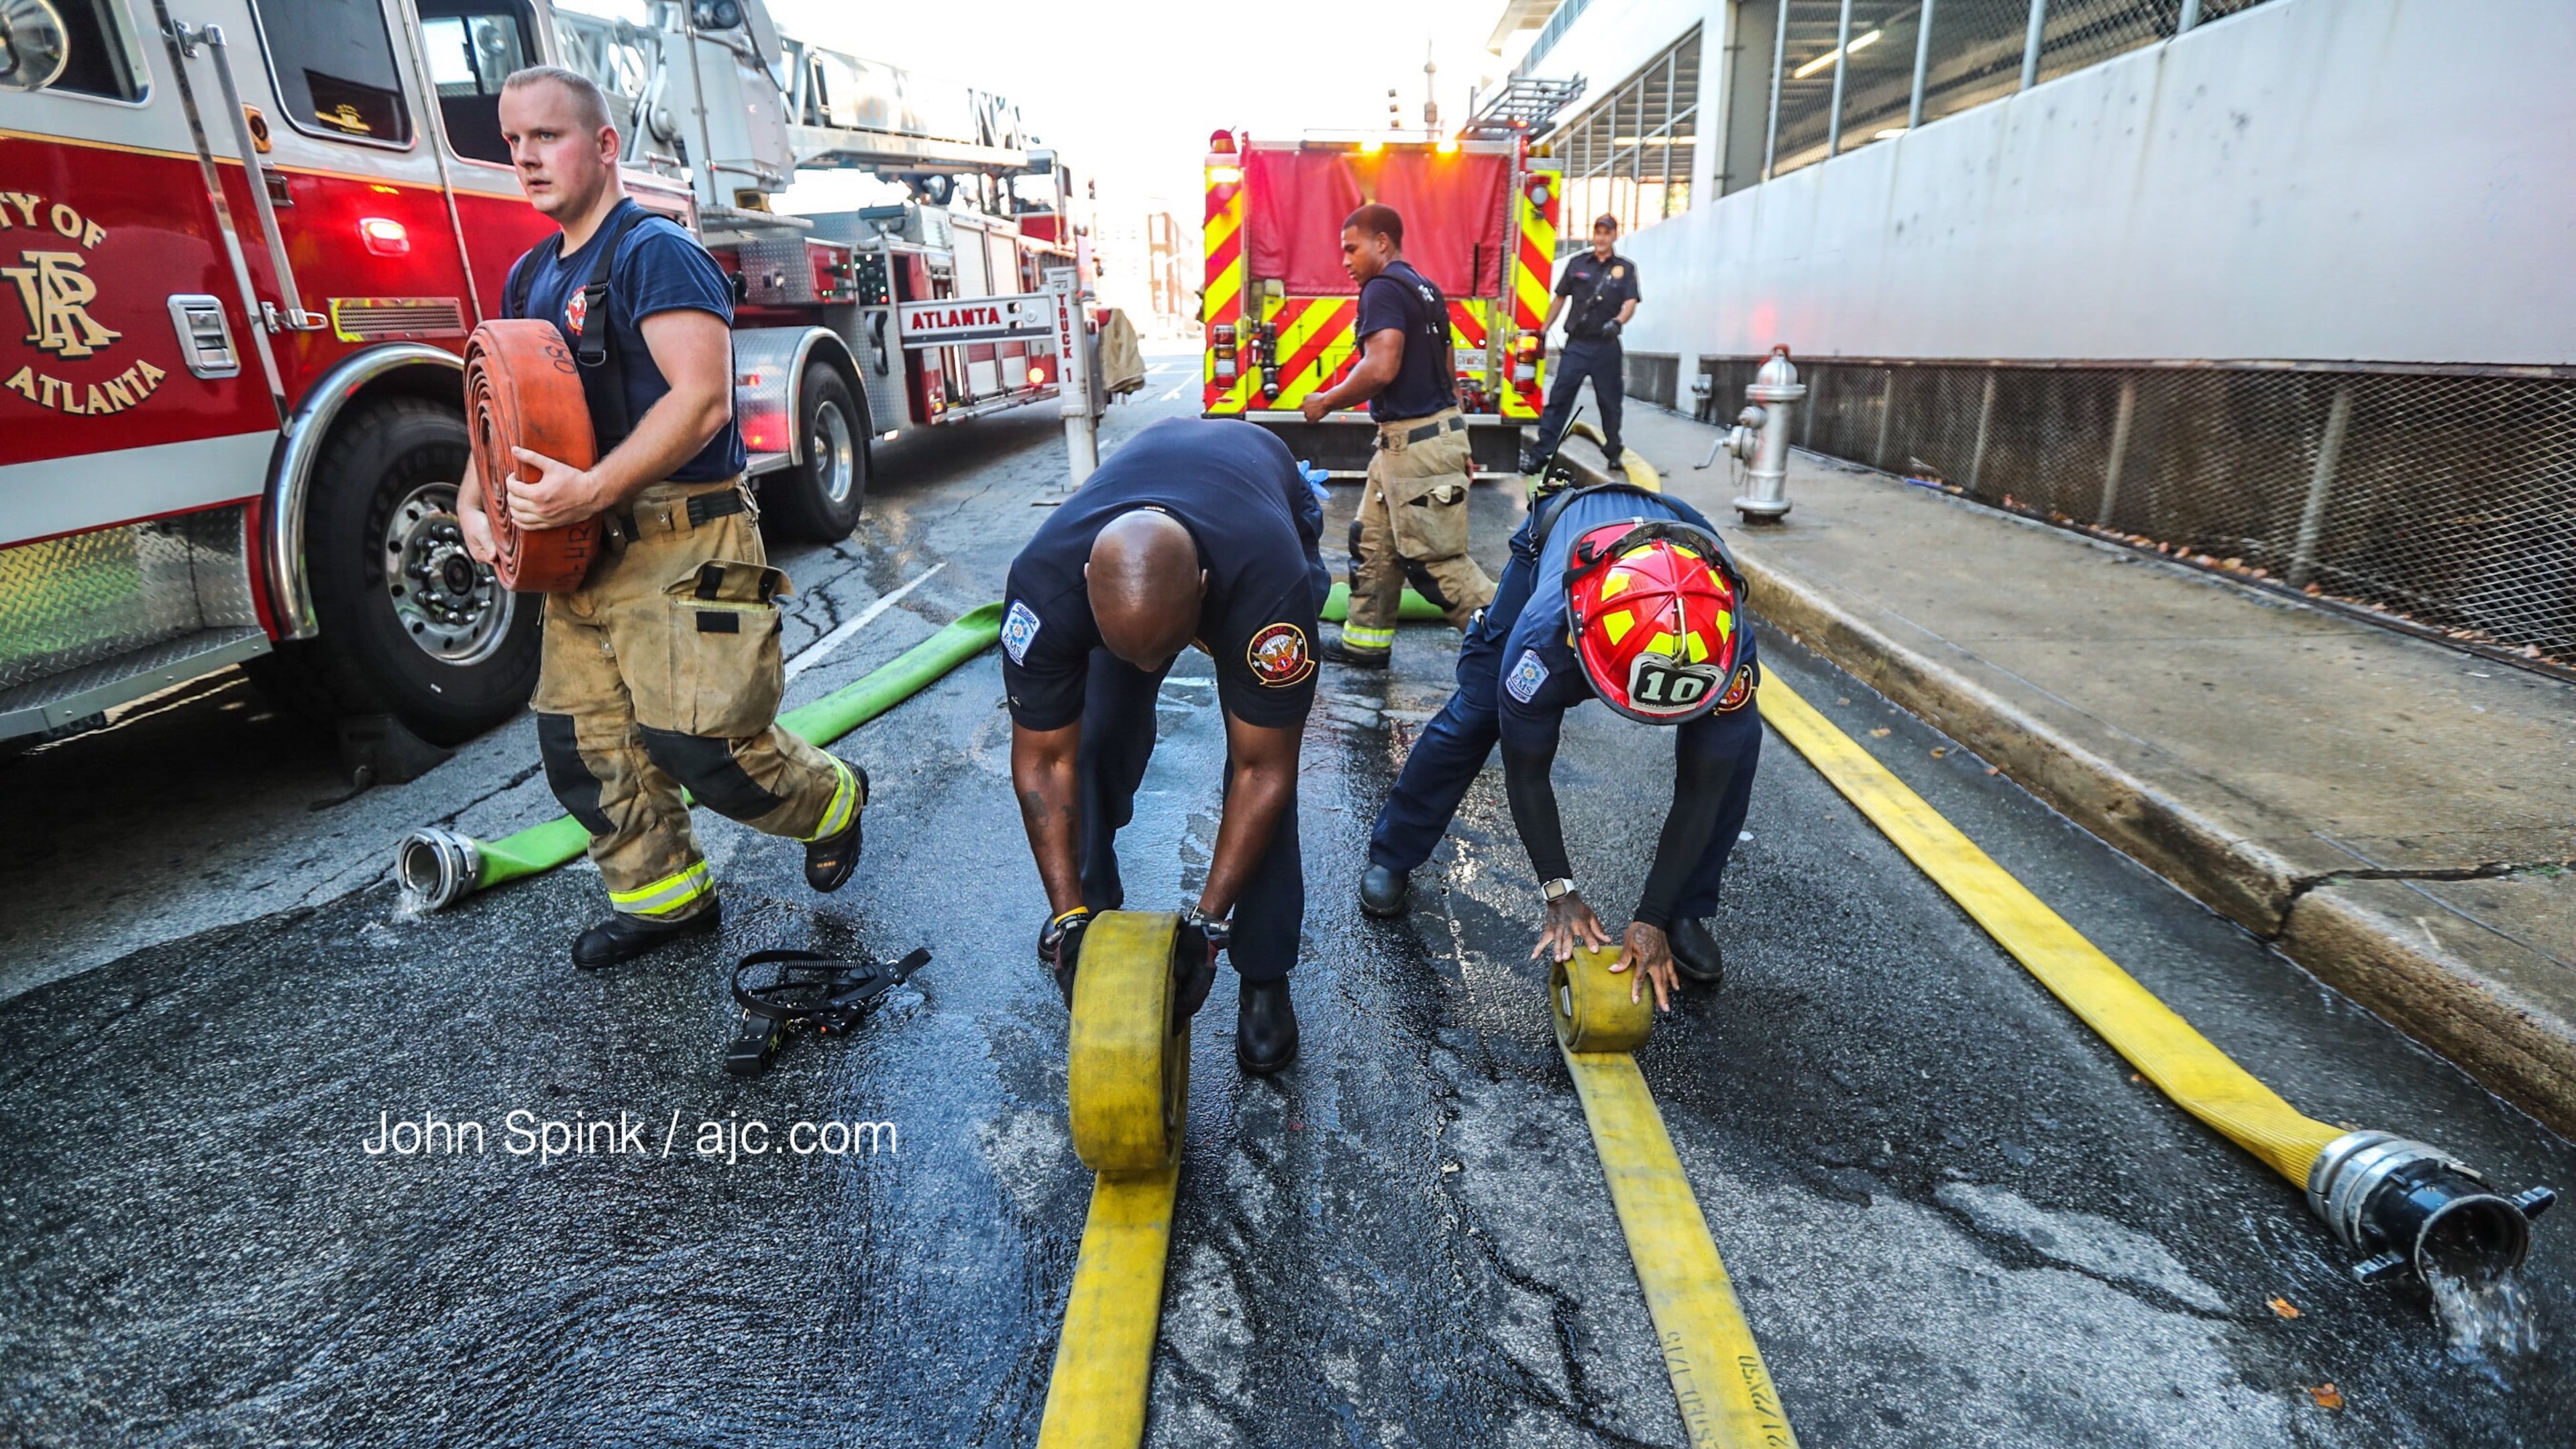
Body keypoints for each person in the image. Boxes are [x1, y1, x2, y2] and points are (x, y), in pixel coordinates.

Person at [458, 67, 864, 969]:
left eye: (548, 137)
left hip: (687, 541)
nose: (527, 159)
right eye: (513, 142)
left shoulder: (656, 254)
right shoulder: (531, 274)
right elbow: (503, 408)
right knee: (584, 747)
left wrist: (590, 491)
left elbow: (703, 403)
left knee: (705, 747)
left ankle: (833, 801)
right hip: (580, 554)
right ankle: (666, 898)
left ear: (605, 146)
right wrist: (474, 498)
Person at [1004, 417, 1330, 1075]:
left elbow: (1261, 770)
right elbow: (1044, 761)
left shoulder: (1270, 588)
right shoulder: (1044, 584)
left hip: (1263, 497)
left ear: (1204, 593)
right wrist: (1064, 912)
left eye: (1170, 645)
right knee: (1095, 732)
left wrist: (1207, 928)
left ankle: (1264, 972)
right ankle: (1088, 912)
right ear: (1088, 581)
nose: (1157, 663)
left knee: (1265, 771)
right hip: (1156, 503)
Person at [1356, 478, 1762, 1008]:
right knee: (1479, 710)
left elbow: (1704, 790)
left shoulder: (1728, 644)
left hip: (1679, 535)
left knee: (1734, 754)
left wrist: (1655, 913)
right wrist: (1558, 890)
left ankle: (1685, 904)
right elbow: (1527, 773)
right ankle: (1394, 853)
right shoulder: (1544, 638)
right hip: (1562, 530)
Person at [1299, 203, 1495, 667]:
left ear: (1381, 242)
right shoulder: (1424, 288)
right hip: (1417, 441)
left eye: (1352, 248)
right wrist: (1454, 440)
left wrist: (1326, 401)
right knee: (1373, 545)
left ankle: (1516, 646)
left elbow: (1382, 366)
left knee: (1437, 564)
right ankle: (1365, 644)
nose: (1345, 260)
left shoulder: (1381, 289)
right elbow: (1447, 367)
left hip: (1414, 446)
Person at [1527, 214, 1642, 475]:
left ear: (1615, 235)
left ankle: (1614, 451)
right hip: (1577, 345)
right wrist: (1544, 330)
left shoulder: (1626, 268)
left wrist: (1618, 322)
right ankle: (1541, 453)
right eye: (1598, 232)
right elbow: (1559, 299)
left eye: (1607, 233)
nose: (1602, 238)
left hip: (1606, 346)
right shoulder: (1577, 264)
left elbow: (1631, 302)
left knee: (1610, 402)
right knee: (1560, 398)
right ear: (1594, 235)